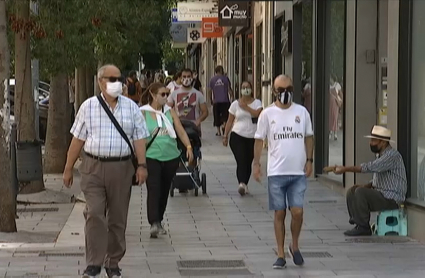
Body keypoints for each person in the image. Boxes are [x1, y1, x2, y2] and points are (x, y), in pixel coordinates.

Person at [62, 64, 149, 278]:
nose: (117, 83)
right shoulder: (88, 107)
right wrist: (68, 168)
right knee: (94, 214)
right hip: (93, 167)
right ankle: (93, 263)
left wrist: (142, 165)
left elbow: (139, 138)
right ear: (100, 81)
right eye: (111, 79)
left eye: (119, 79)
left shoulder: (131, 108)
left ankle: (113, 262)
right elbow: (77, 139)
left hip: (121, 167)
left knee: (117, 218)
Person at [253, 75, 314, 269]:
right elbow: (259, 139)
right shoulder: (267, 114)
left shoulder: (302, 112)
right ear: (274, 91)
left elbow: (308, 136)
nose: (285, 93)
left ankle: (294, 246)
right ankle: (280, 253)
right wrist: (257, 163)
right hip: (276, 172)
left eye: (288, 88)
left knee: (297, 212)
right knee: (279, 213)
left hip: (297, 172)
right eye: (281, 89)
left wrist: (310, 160)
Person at [139, 82, 194, 238]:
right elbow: (138, 136)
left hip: (171, 157)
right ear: (153, 94)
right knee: (154, 188)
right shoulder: (142, 113)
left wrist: (189, 147)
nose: (165, 97)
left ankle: (159, 219)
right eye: (162, 94)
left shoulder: (170, 112)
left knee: (164, 190)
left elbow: (180, 131)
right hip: (151, 156)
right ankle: (153, 222)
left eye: (167, 94)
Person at [332, 125, 407, 236]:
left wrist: (345, 169)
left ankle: (363, 227)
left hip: (392, 199)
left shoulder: (392, 155)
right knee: (353, 190)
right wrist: (366, 185)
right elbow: (379, 180)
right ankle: (357, 220)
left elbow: (369, 167)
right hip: (382, 194)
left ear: (383, 142)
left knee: (360, 193)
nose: (371, 143)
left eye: (374, 141)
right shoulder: (381, 156)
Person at [223, 81, 262, 196]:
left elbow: (257, 114)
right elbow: (230, 121)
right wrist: (225, 135)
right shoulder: (235, 104)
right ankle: (241, 183)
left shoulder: (257, 103)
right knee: (241, 160)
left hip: (252, 137)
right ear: (240, 89)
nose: (246, 89)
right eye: (243, 87)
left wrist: (246, 107)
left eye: (248, 87)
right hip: (237, 135)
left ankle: (245, 183)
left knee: (248, 161)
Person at [209, 65, 233, 136]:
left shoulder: (212, 80)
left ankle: (218, 131)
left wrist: (211, 99)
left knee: (216, 116)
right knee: (225, 115)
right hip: (225, 100)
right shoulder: (225, 78)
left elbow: (210, 91)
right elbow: (229, 89)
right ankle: (224, 125)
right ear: (221, 71)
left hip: (216, 101)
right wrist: (232, 96)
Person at [329, 75, 343, 140]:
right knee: (330, 117)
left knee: (335, 117)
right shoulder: (329, 85)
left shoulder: (337, 85)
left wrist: (341, 102)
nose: (330, 80)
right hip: (329, 103)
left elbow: (340, 94)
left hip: (335, 103)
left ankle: (335, 133)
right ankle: (330, 132)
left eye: (331, 79)